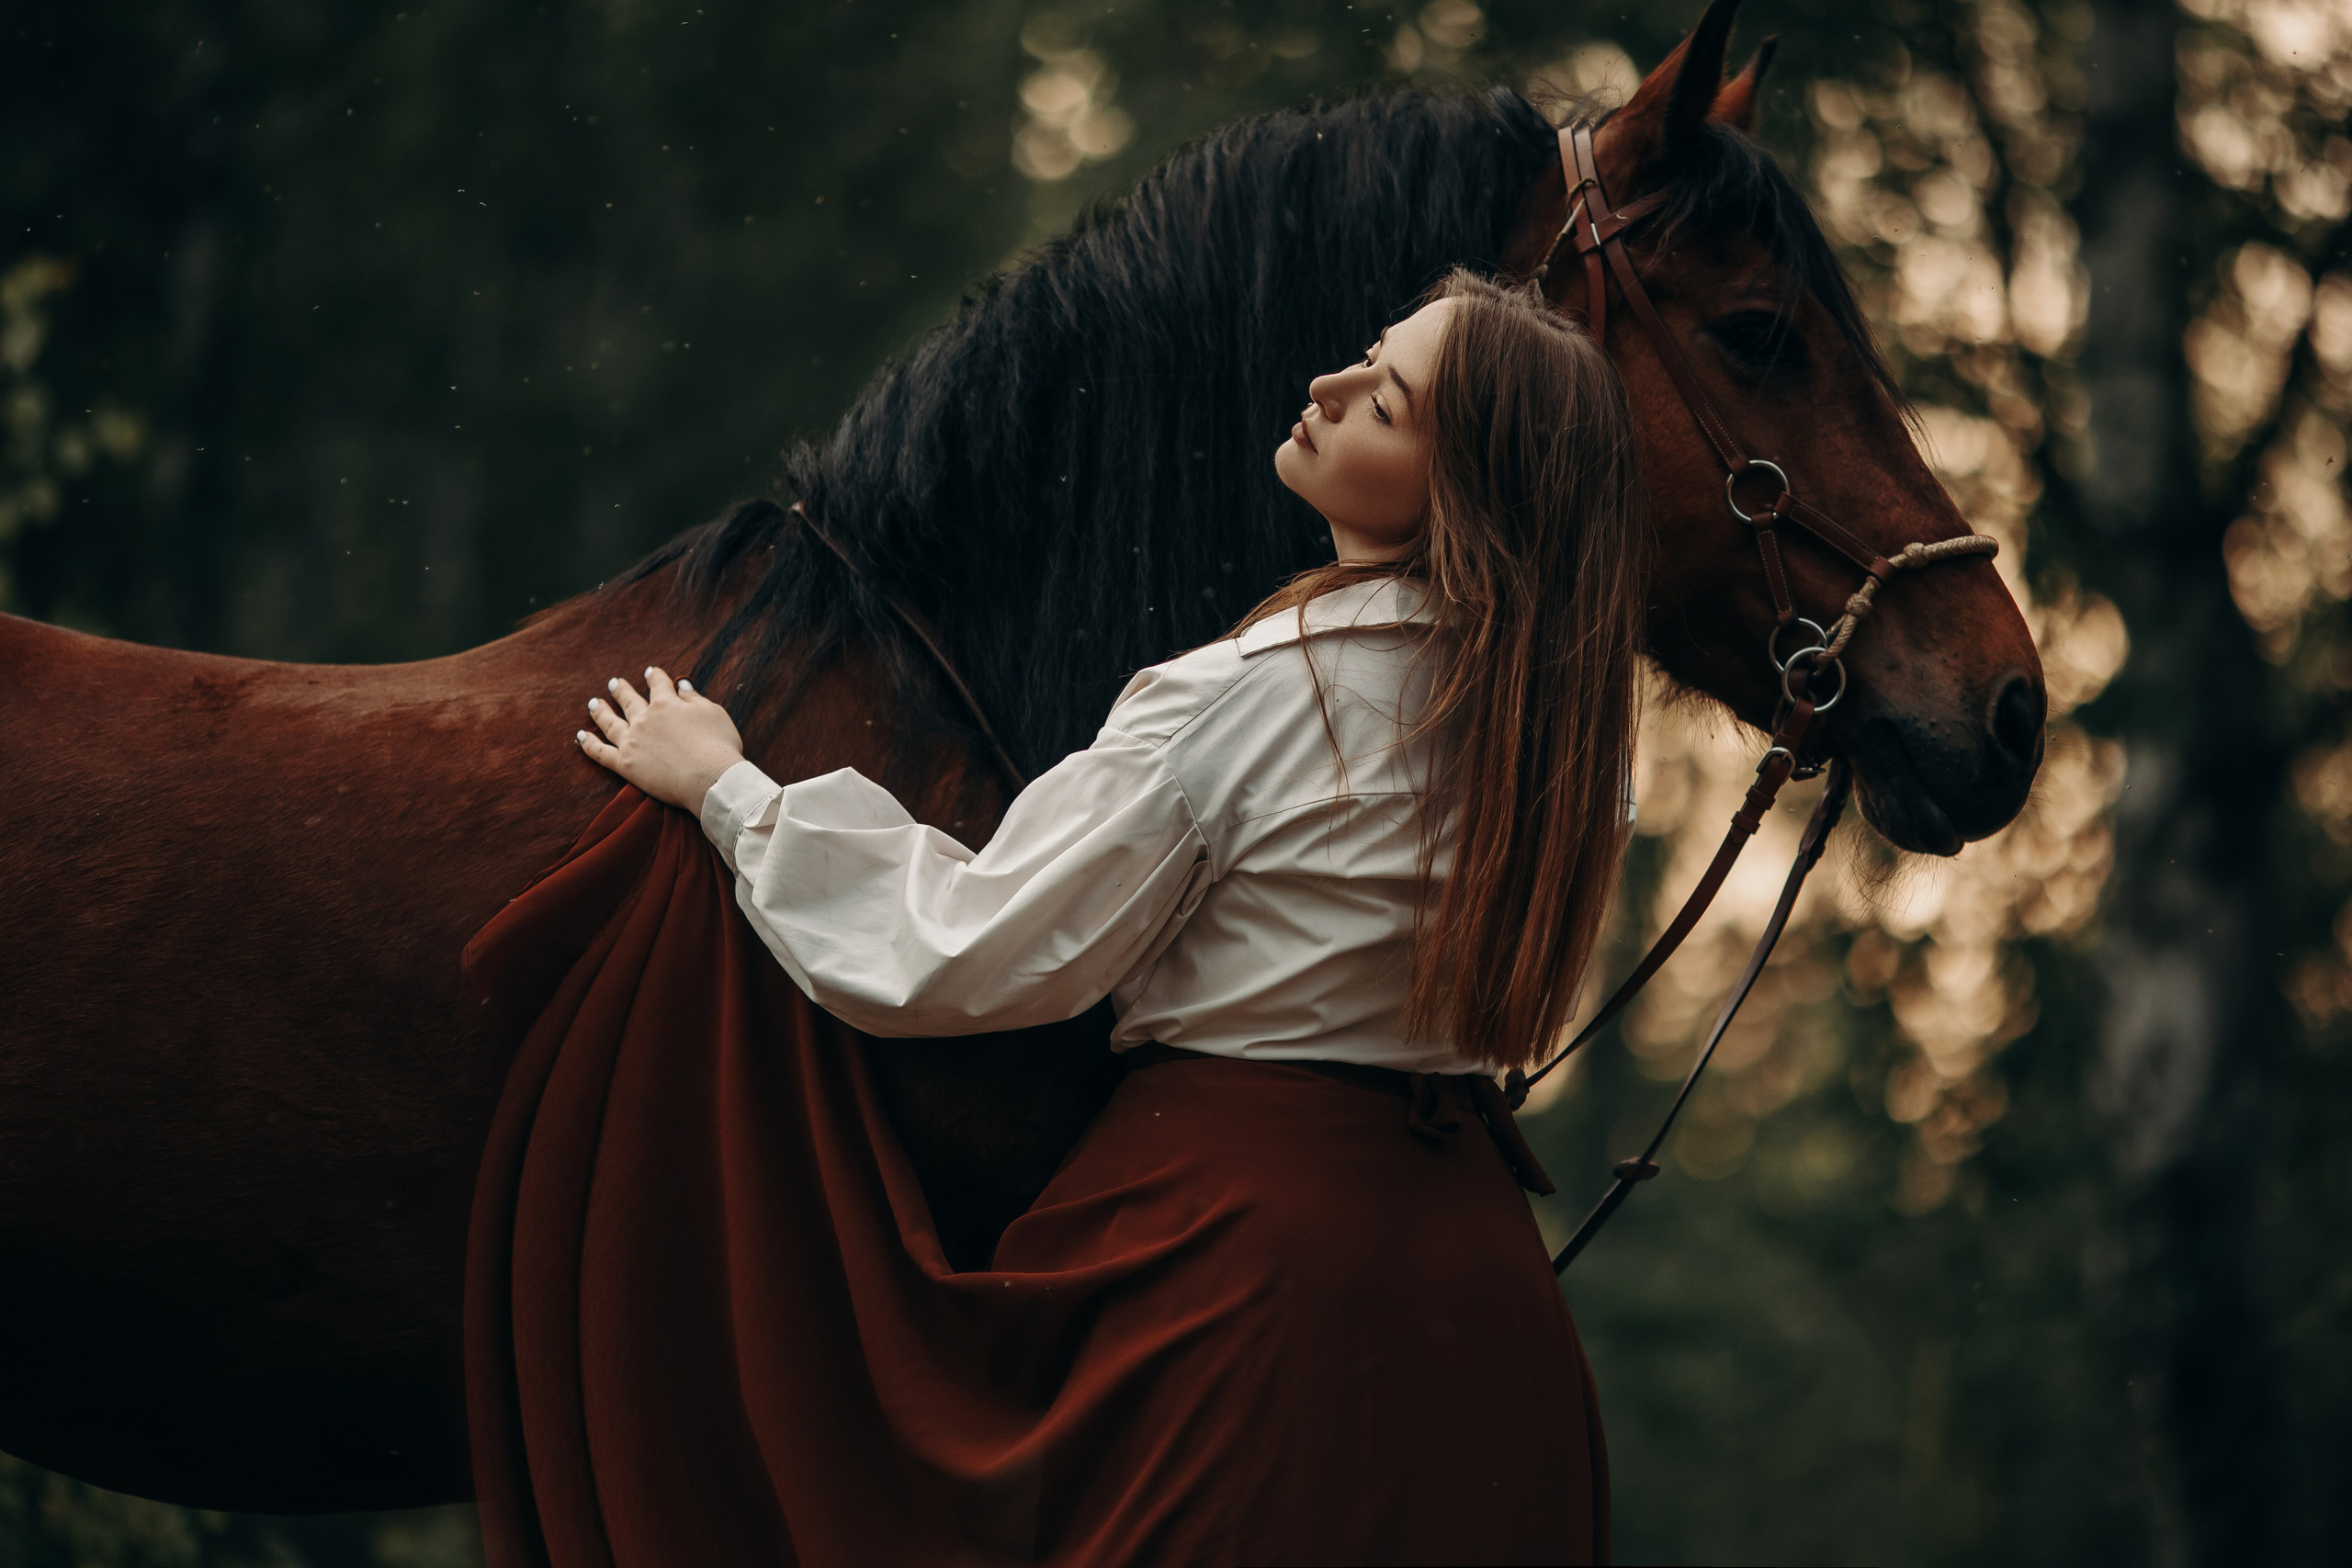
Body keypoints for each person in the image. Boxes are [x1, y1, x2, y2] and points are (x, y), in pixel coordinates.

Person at [572, 267, 1645, 1565]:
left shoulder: (1248, 698)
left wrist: (730, 792)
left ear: (1462, 488)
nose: (1329, 386)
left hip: (1244, 1265)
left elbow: (966, 950)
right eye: (1368, 353)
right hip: (1483, 1301)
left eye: (1386, 402)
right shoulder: (1571, 746)